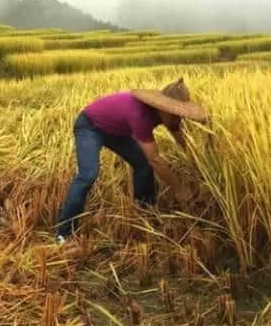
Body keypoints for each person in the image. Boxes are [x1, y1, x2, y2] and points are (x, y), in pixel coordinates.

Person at [55, 77, 208, 244]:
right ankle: (64, 233)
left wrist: (197, 160)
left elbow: (179, 135)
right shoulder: (141, 116)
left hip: (116, 131)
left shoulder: (167, 116)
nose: (179, 119)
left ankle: (144, 212)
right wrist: (179, 189)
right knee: (88, 174)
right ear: (162, 108)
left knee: (143, 165)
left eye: (181, 114)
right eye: (175, 114)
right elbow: (156, 160)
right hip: (90, 126)